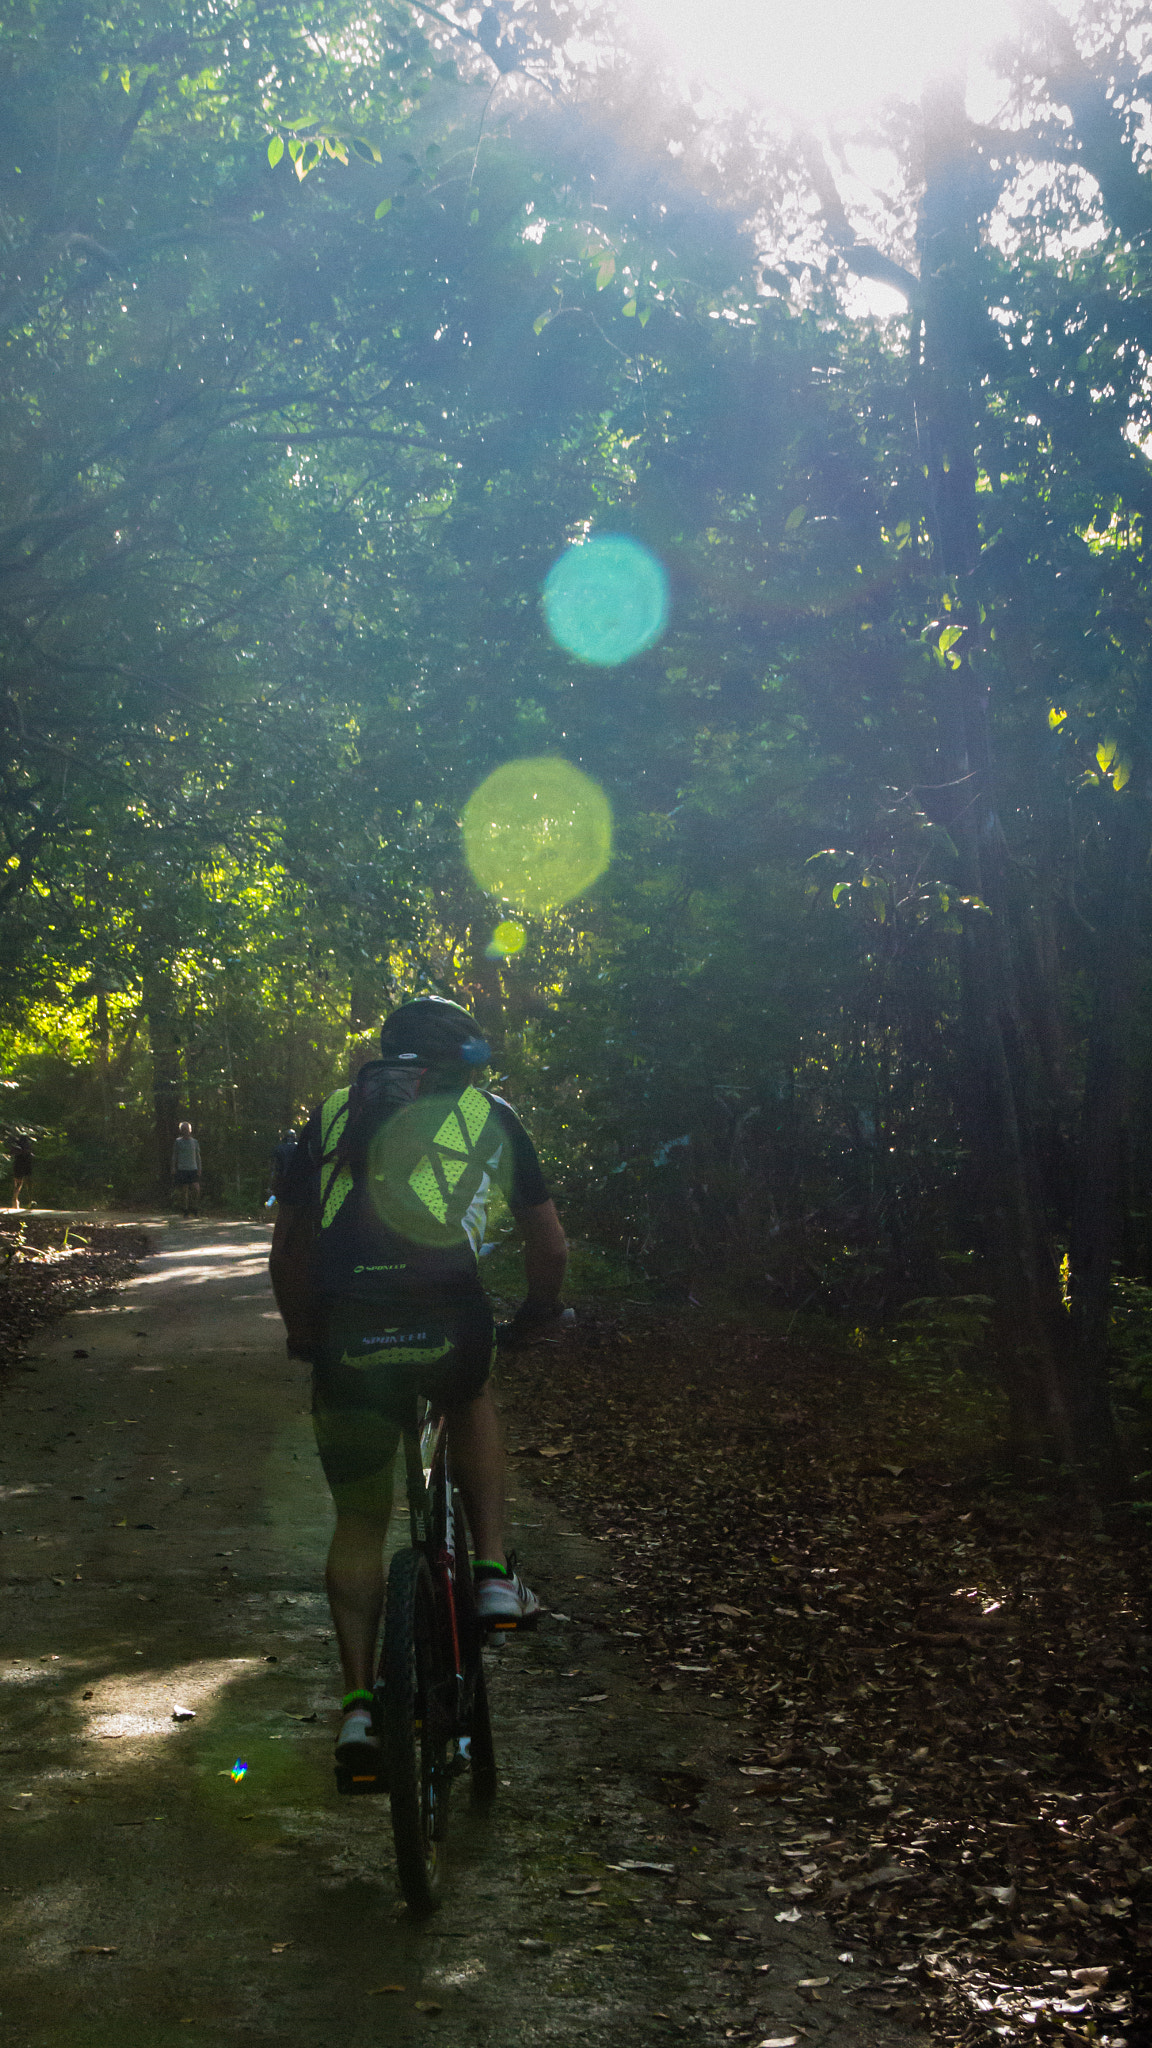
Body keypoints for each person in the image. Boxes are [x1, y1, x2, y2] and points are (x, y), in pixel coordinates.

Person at [269, 996, 568, 1775]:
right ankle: (495, 1574)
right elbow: (548, 1243)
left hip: (348, 1335)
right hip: (449, 1326)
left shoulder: (334, 1114)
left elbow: (289, 1244)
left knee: (359, 1524)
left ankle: (359, 1715)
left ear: (386, 1053)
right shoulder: (488, 1112)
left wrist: (304, 1332)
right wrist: (536, 1315)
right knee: (469, 1391)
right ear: (464, 1056)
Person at [171, 1122, 202, 1216]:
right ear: (181, 1131)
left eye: (187, 1129)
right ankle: (185, 1209)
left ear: (190, 1130)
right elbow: (175, 1155)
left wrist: (199, 1168)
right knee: (184, 1191)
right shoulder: (178, 1142)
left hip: (193, 1168)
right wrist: (173, 1167)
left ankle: (195, 1207)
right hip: (182, 1168)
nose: (186, 1131)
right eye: (183, 1130)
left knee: (196, 1189)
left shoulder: (195, 1142)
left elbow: (198, 1156)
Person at [266, 1128, 298, 1208]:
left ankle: (272, 1196)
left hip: (281, 1179)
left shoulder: (278, 1148)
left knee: (282, 1204)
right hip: (296, 1179)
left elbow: (274, 1167)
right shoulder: (299, 1147)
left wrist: (271, 1186)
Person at [11, 1134, 33, 1209]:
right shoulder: (28, 1146)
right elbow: (30, 1155)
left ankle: (15, 1199)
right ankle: (30, 1201)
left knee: (18, 1184)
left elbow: (12, 1153)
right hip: (26, 1165)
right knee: (28, 1183)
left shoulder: (17, 1146)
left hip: (18, 1165)